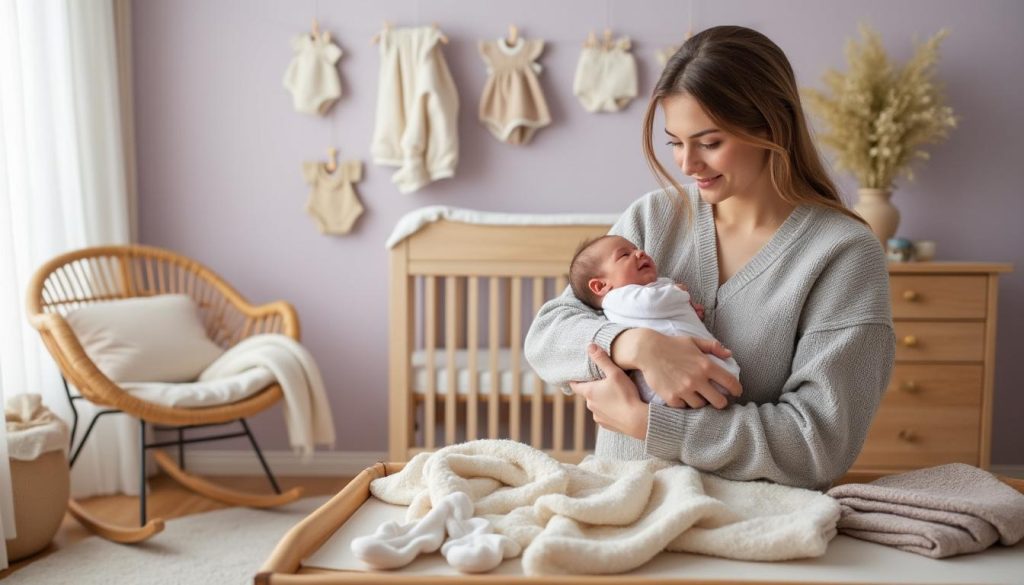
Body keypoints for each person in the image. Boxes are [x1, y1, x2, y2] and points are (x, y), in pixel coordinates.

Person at [524, 25, 895, 490]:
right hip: (624, 506)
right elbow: (546, 337)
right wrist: (636, 344)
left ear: (772, 125)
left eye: (710, 142)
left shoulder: (843, 254)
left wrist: (650, 425)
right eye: (675, 142)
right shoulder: (652, 219)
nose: (686, 164)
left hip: (755, 528)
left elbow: (818, 442)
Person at [568, 234, 740, 405]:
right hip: (660, 383)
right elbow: (651, 302)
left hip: (683, 372)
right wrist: (678, 293)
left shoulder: (645, 290)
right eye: (624, 255)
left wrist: (685, 307)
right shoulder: (616, 297)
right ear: (600, 286)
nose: (640, 252)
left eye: (636, 248)